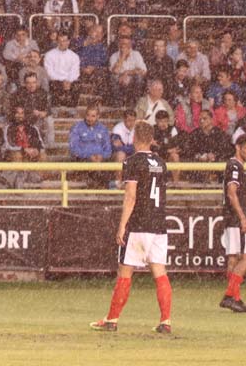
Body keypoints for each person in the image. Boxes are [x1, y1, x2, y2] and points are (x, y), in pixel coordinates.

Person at [91, 121, 173, 334]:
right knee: (160, 272)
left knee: (125, 272)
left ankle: (112, 319)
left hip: (139, 224)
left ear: (135, 137)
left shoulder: (132, 162)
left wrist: (122, 225)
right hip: (159, 223)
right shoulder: (161, 163)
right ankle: (165, 321)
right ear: (152, 138)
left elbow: (131, 196)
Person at [220, 135, 246, 313]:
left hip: (232, 218)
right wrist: (242, 218)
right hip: (236, 219)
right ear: (238, 148)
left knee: (234, 258)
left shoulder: (236, 166)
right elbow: (232, 193)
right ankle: (229, 296)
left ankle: (235, 298)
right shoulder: (234, 165)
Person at [68, 104, 112, 187]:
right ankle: (95, 185)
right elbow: (73, 148)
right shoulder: (77, 128)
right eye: (88, 115)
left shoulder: (103, 129)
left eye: (93, 116)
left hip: (100, 160)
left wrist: (101, 156)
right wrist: (88, 156)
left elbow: (108, 149)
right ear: (85, 115)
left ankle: (101, 188)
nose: (90, 119)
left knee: (107, 164)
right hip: (82, 159)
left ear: (98, 116)